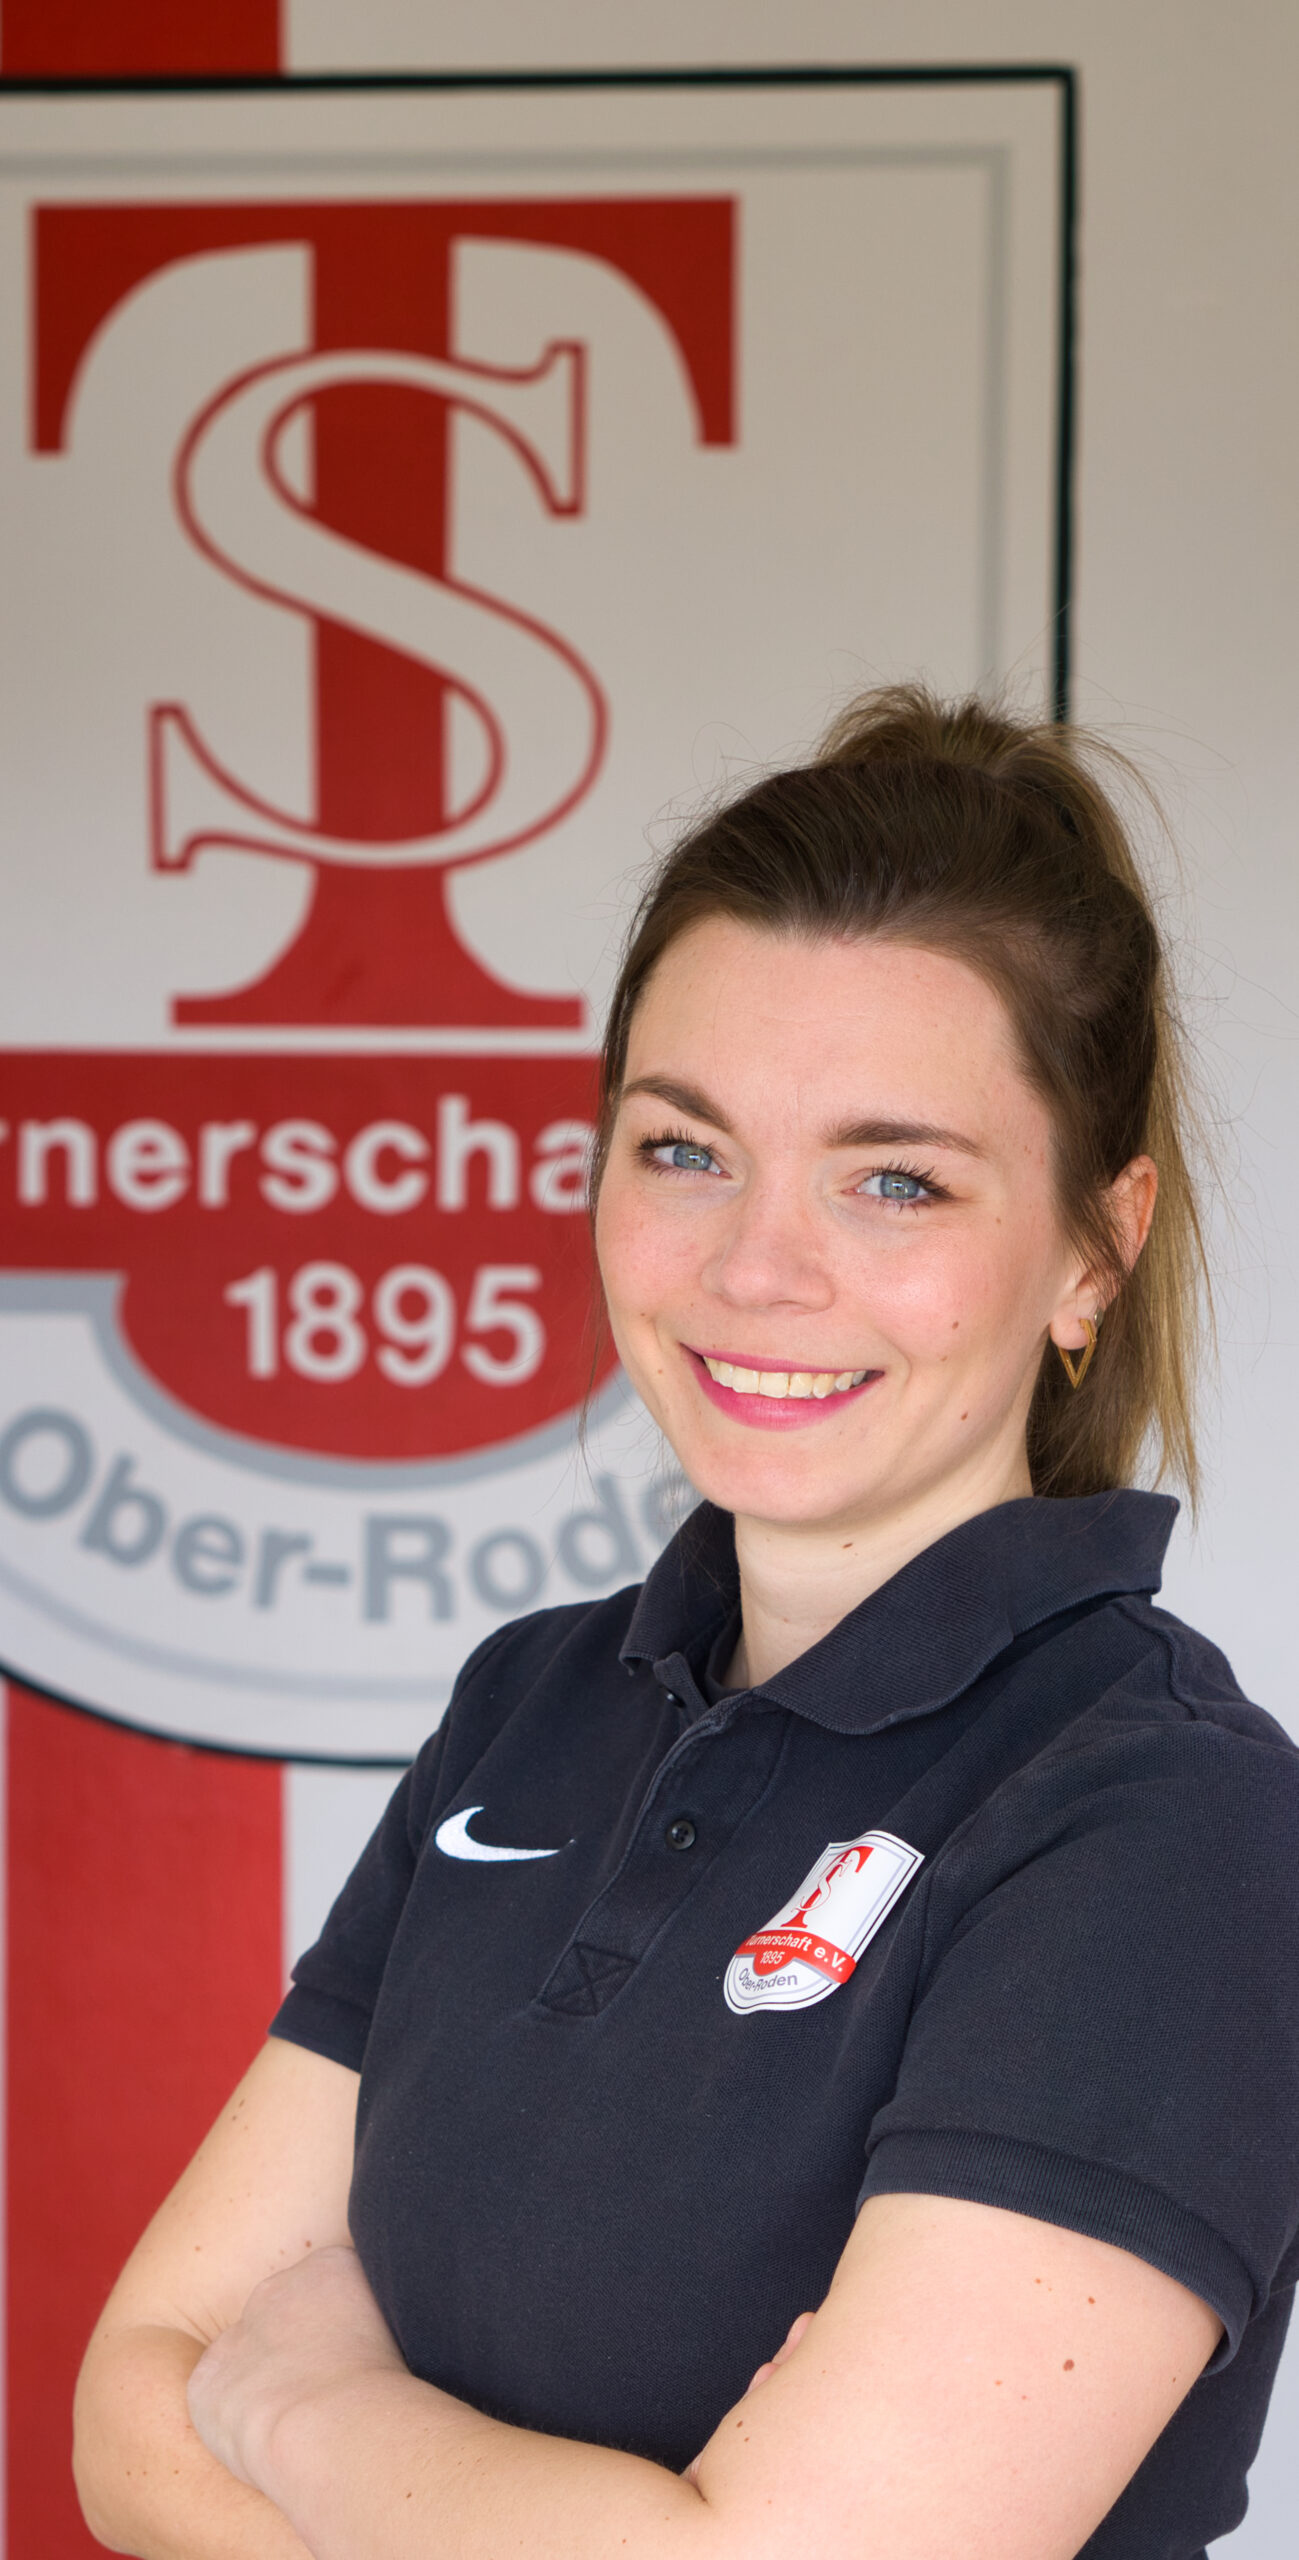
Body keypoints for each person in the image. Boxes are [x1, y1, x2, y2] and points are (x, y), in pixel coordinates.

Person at [73, 688, 1299, 2560]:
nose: (755, 1267)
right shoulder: (533, 1704)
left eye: (895, 1179)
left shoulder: (1165, 1825)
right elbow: (132, 2411)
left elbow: (225, 2395)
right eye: (683, 1149)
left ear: (1092, 1249)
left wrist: (301, 2403)